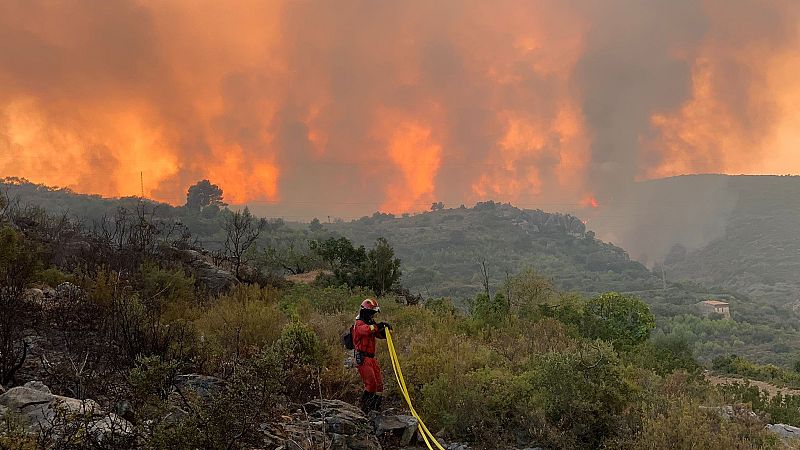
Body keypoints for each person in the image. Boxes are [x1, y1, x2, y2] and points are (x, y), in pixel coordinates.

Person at [352, 298, 392, 413]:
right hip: (363, 358)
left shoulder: (370, 323)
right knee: (371, 384)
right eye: (371, 313)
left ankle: (376, 408)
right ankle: (365, 410)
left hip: (371, 358)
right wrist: (377, 326)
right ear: (365, 312)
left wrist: (386, 330)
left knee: (379, 385)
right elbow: (366, 330)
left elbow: (378, 334)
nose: (373, 316)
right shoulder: (359, 324)